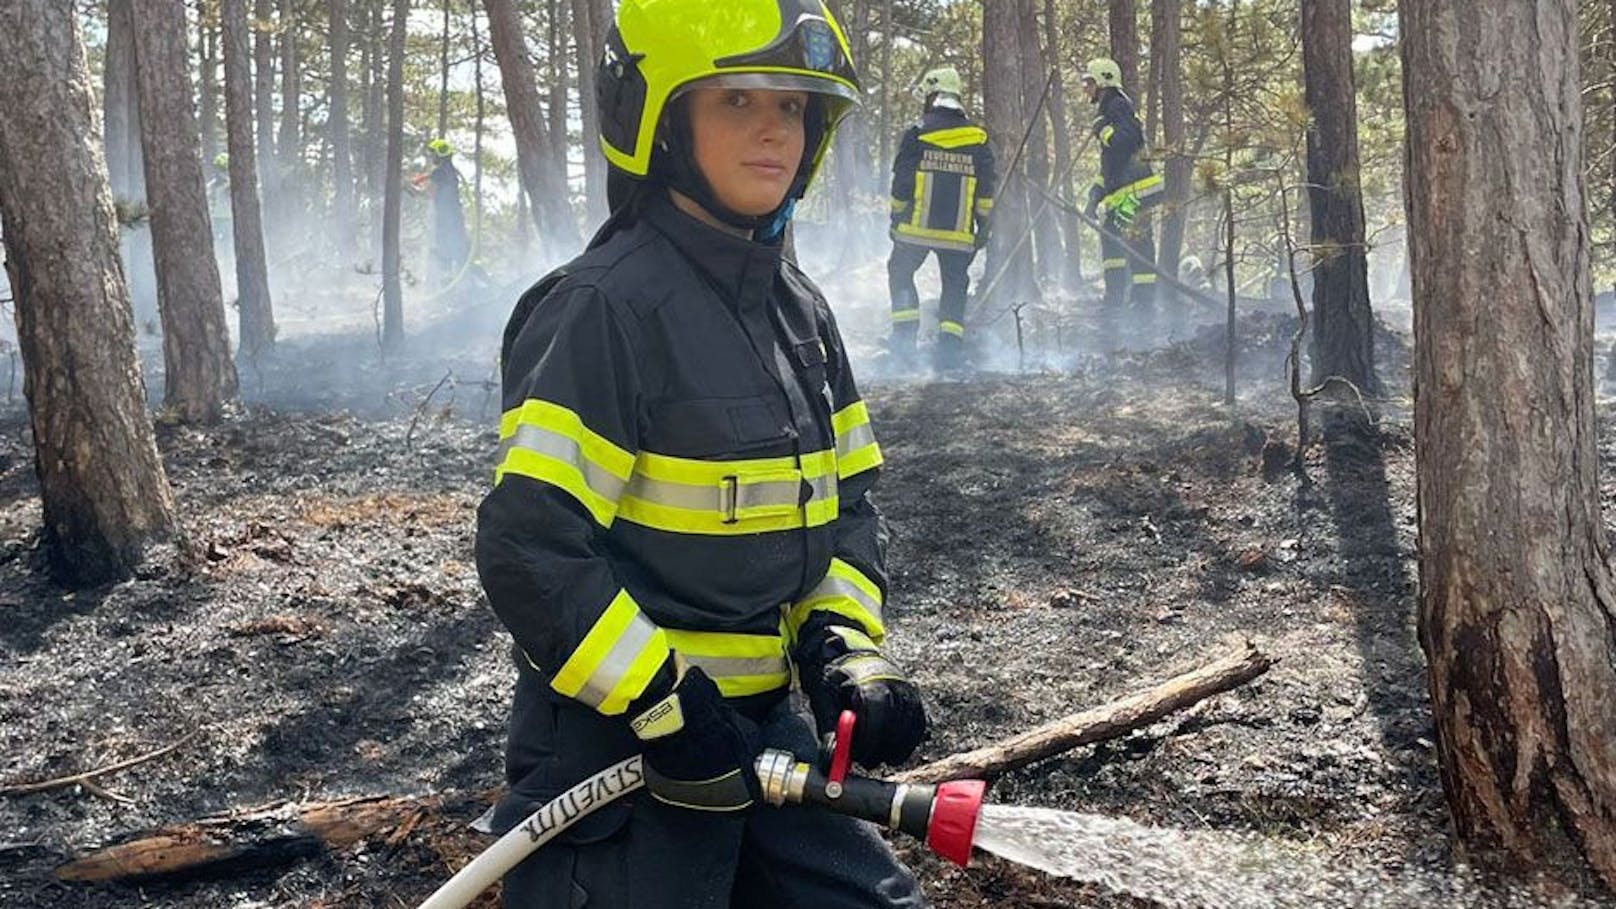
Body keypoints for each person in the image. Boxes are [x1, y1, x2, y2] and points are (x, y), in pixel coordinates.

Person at [475, 2, 932, 907]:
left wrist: (846, 649)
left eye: (794, 107)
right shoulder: (604, 310)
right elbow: (531, 549)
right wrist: (661, 699)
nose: (774, 128)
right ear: (658, 119)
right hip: (618, 752)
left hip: (760, 734)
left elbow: (846, 510)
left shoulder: (800, 313)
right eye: (736, 101)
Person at [886, 66, 995, 373]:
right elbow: (986, 190)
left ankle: (904, 342)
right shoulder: (978, 138)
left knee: (899, 272)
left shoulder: (917, 132)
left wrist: (895, 215)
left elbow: (902, 182)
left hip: (915, 230)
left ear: (933, 94)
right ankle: (949, 353)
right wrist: (984, 225)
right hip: (958, 234)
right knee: (955, 285)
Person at [1082, 58, 1162, 316]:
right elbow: (1111, 167)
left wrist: (1102, 130)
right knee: (1113, 239)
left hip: (1135, 194)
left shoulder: (1118, 105)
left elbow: (1125, 139)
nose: (1086, 88)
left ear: (1103, 81)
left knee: (1133, 243)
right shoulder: (1111, 109)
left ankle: (1138, 305)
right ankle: (1120, 301)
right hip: (1126, 193)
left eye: (1090, 82)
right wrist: (1094, 196)